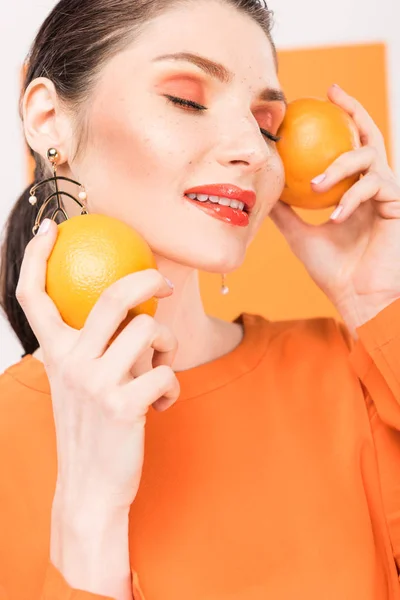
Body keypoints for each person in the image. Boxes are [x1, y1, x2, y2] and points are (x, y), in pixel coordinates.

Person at [1, 0, 400, 598]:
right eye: (187, 99)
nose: (253, 150)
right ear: (49, 118)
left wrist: (379, 303)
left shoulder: (349, 381)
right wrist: (88, 517)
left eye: (267, 125)